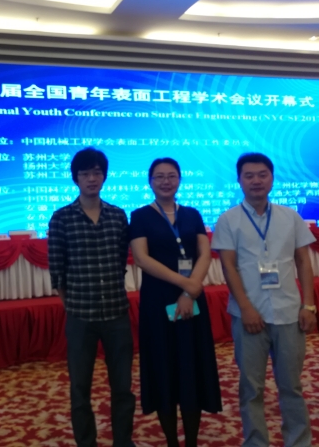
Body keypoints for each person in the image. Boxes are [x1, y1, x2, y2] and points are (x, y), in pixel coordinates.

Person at [211, 153, 317, 447]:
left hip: (289, 312)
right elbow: (228, 267)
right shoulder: (228, 219)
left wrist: (308, 305)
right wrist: (246, 308)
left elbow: (303, 262)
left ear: (272, 178)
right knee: (251, 387)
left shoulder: (290, 216)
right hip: (248, 314)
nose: (256, 181)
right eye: (249, 175)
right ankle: (256, 442)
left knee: (291, 386)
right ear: (239, 180)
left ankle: (299, 441)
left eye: (262, 175)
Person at [129, 157, 222, 447]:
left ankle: (191, 441)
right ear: (150, 182)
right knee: (163, 367)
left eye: (171, 176)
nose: (165, 181)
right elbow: (142, 258)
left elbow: (204, 253)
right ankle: (171, 441)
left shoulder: (192, 214)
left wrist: (189, 293)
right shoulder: (140, 215)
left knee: (192, 366)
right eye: (159, 176)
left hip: (192, 301)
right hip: (158, 301)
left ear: (180, 179)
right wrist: (186, 285)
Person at [48, 147, 135, 447]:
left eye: (97, 172)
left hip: (116, 313)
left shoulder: (118, 216)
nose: (91, 178)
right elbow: (57, 270)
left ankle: (123, 441)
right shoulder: (61, 218)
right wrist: (71, 304)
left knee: (122, 386)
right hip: (80, 317)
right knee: (80, 387)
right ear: (76, 178)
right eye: (85, 173)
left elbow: (121, 260)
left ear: (105, 176)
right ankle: (86, 442)